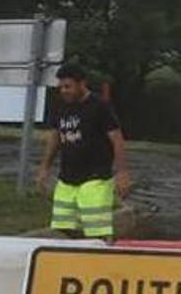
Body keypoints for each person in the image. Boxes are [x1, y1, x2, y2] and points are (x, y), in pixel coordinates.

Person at [36, 63, 131, 241]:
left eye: (68, 86)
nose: (64, 91)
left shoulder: (99, 106)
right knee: (62, 228)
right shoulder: (61, 106)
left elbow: (117, 139)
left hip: (95, 178)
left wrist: (122, 172)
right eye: (61, 87)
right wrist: (44, 167)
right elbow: (56, 137)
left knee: (96, 230)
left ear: (82, 84)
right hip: (67, 178)